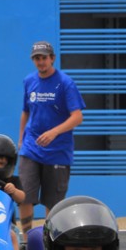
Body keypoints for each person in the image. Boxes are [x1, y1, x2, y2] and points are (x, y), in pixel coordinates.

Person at [18, 41, 85, 235]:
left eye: (44, 58)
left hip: (57, 152)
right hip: (31, 148)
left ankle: (49, 238)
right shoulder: (29, 81)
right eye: (37, 58)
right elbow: (25, 112)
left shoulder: (65, 83)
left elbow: (77, 117)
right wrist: (21, 138)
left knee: (53, 201)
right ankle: (27, 237)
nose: (41, 62)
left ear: (52, 58)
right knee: (24, 196)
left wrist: (54, 132)